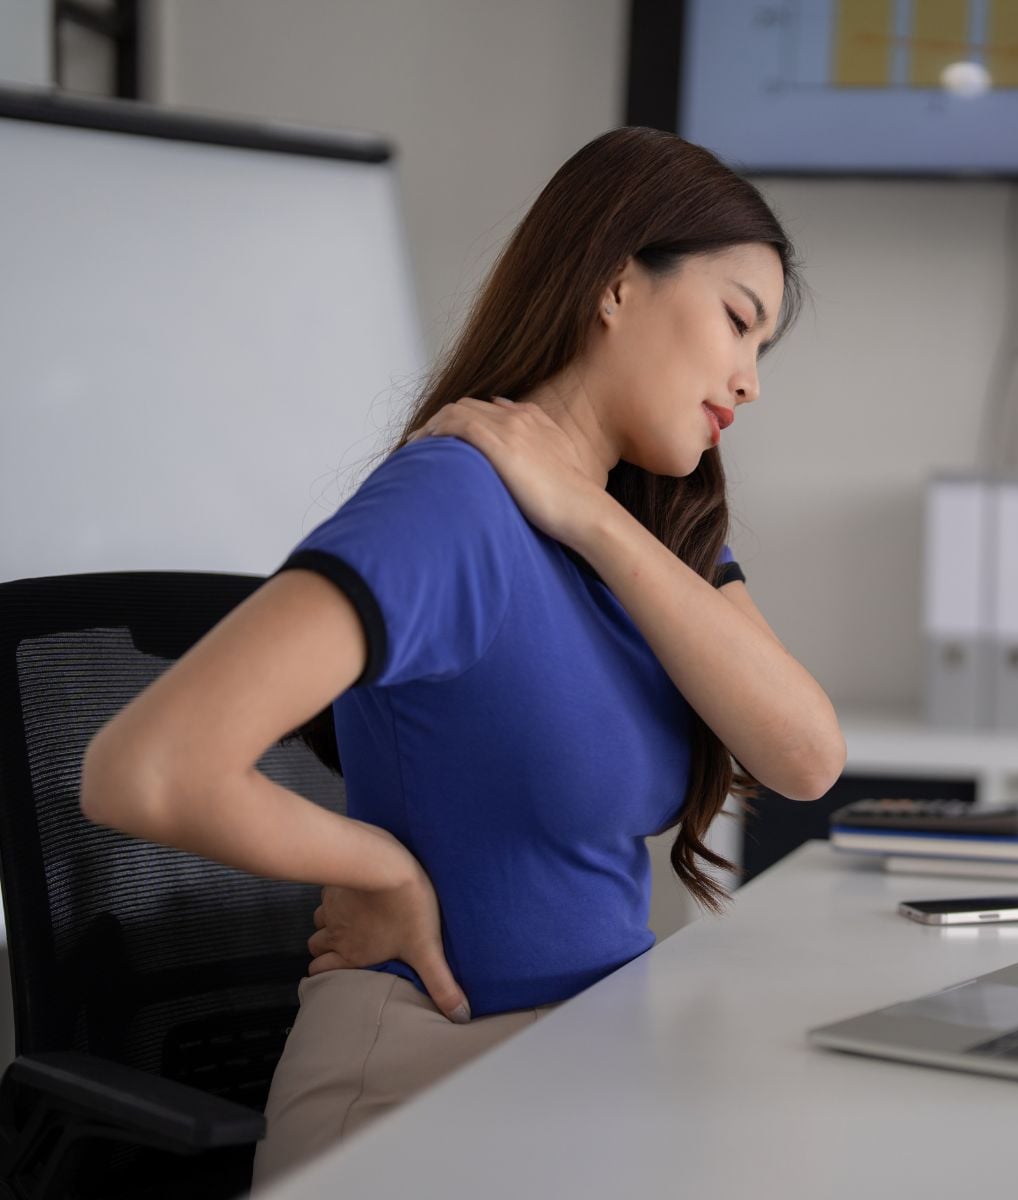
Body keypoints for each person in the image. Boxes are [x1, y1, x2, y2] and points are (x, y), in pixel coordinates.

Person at [81, 125, 846, 1194]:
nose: (749, 380)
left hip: (593, 1069)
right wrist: (384, 869)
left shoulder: (653, 538)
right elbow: (145, 768)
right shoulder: (450, 504)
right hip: (430, 1084)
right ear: (618, 283)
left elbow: (807, 757)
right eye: (737, 322)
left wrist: (586, 514)